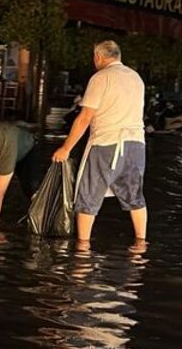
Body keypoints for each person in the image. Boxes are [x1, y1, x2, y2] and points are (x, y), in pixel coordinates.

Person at [52, 40, 147, 252]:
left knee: (87, 195)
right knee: (135, 196)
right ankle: (141, 245)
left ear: (98, 57)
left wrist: (66, 148)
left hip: (107, 143)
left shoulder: (101, 77)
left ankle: (82, 250)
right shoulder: (136, 77)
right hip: (137, 145)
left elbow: (85, 117)